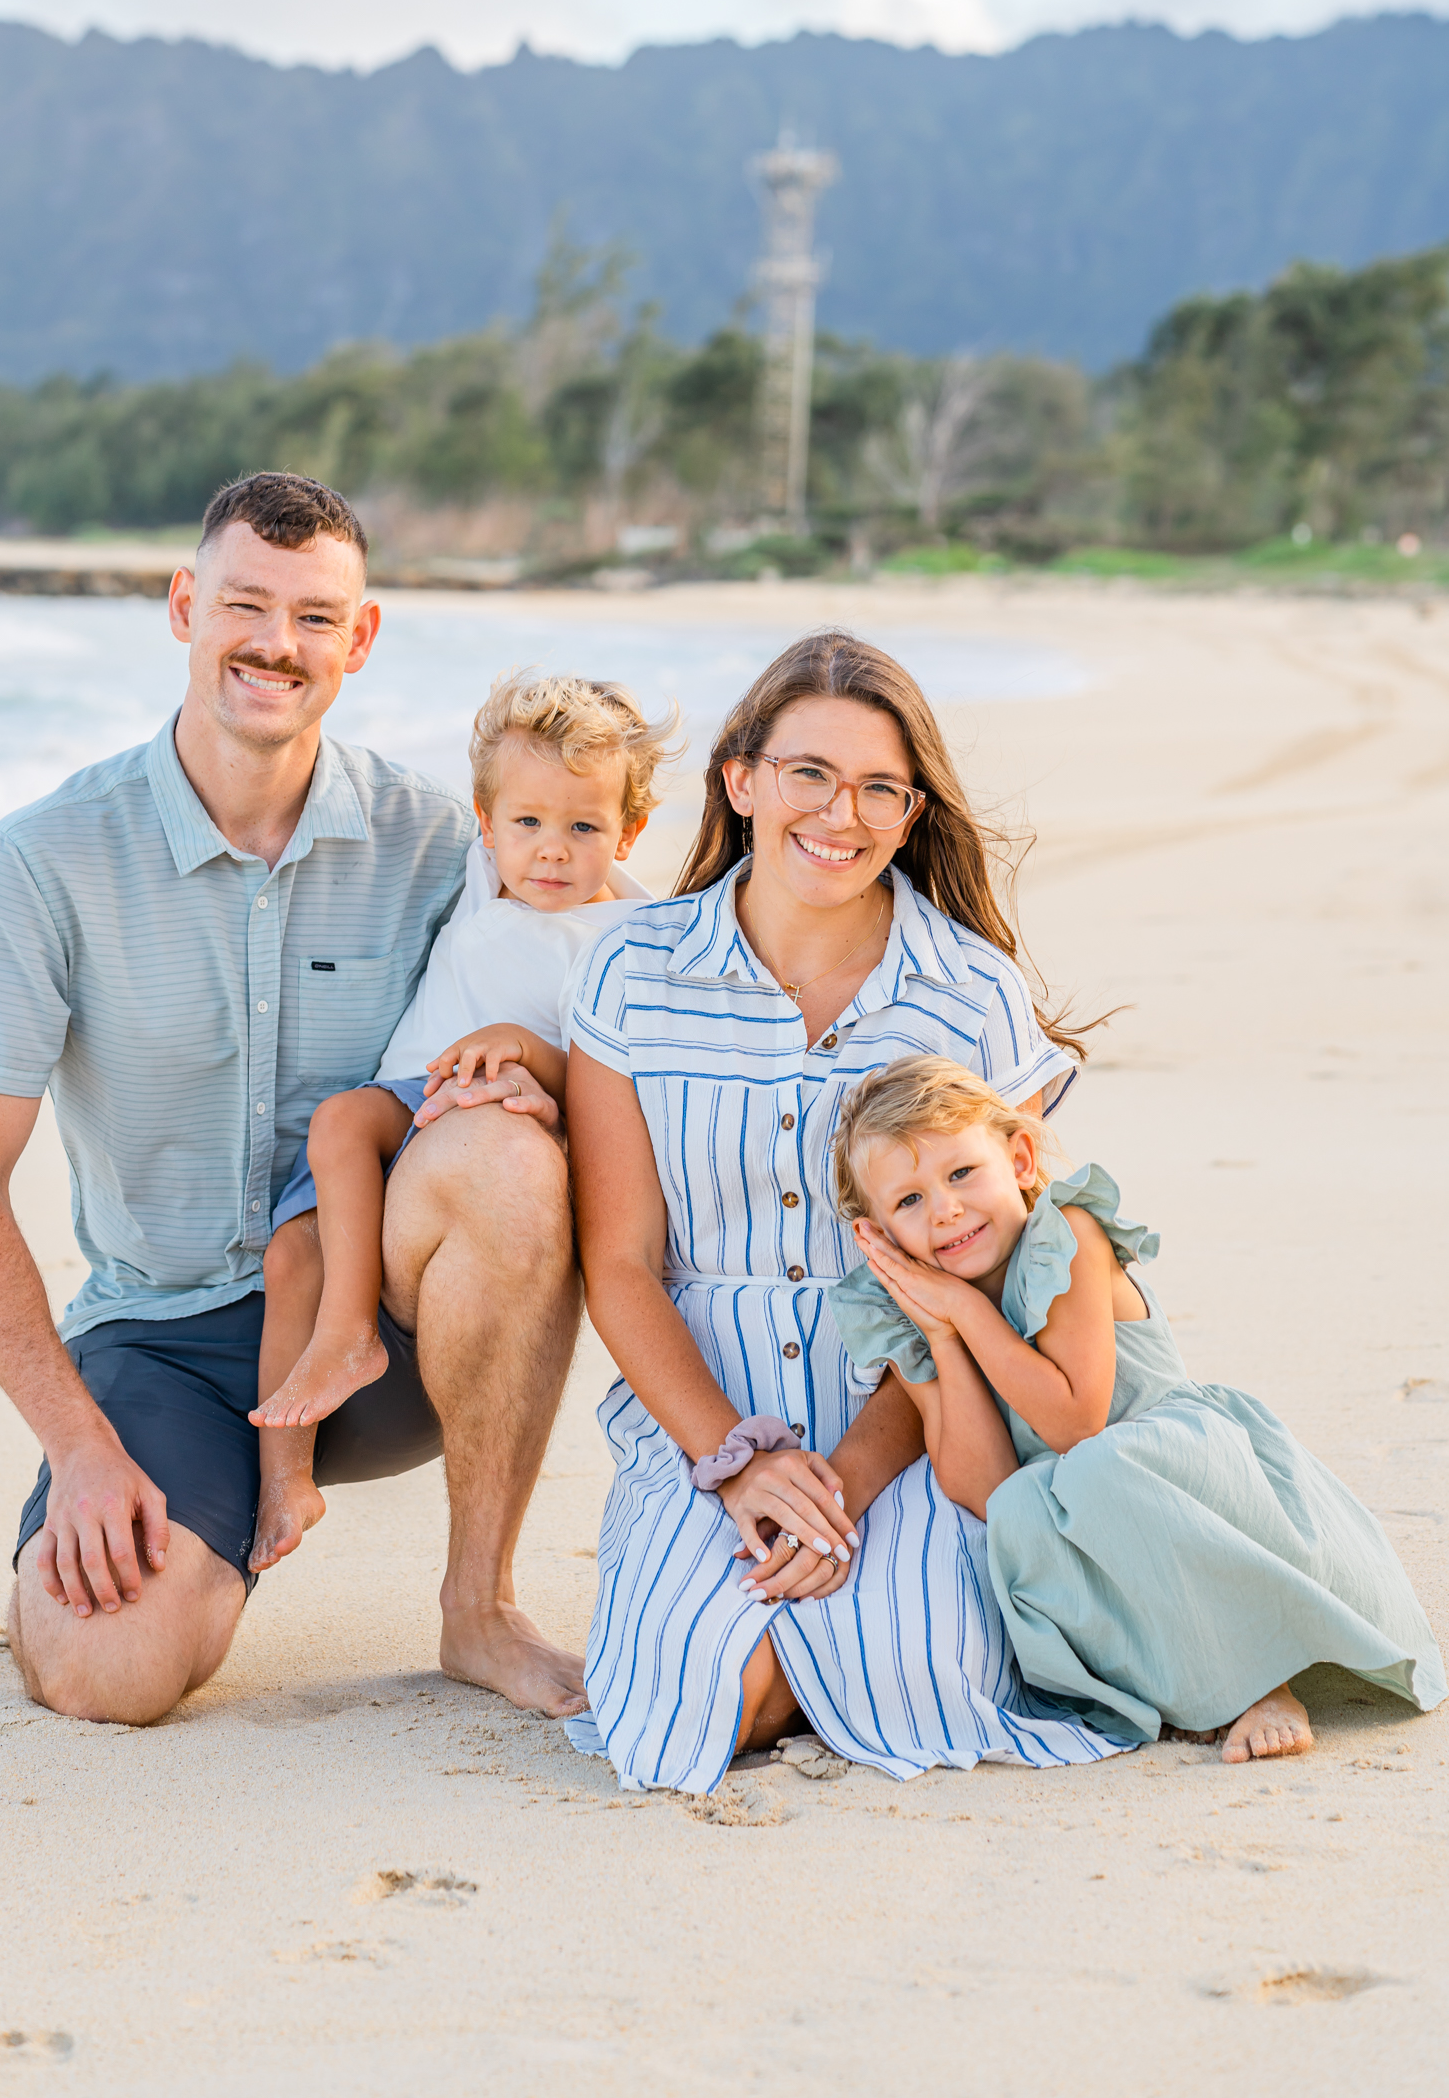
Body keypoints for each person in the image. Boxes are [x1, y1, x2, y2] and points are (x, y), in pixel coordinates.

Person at [0, 471, 587, 1726]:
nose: (278, 644)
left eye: (316, 618)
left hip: (386, 1320)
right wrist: (80, 1449)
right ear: (185, 607)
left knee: (510, 1149)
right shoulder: (46, 861)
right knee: (104, 1674)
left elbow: (596, 987)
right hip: (162, 1336)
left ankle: (477, 1606)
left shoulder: (447, 844)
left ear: (361, 639)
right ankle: (202, 1511)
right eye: (246, 605)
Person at [563, 627, 1124, 1793]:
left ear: (912, 814)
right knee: (695, 1707)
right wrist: (732, 1462)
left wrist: (852, 1478)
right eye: (810, 774)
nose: (842, 813)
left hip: (921, 1408)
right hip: (701, 1403)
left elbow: (991, 1267)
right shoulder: (633, 971)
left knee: (917, 1684)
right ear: (744, 782)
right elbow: (619, 1263)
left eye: (881, 788)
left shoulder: (969, 993)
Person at [830, 1055, 1447, 1762]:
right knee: (1021, 1516)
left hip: (1172, 1475)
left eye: (960, 1173)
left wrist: (969, 1312)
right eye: (906, 1201)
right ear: (875, 1233)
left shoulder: (1063, 1236)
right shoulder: (916, 1308)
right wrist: (940, 1333)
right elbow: (984, 1484)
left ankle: (1257, 1680)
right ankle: (1183, 1688)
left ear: (1020, 1157)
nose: (943, 1208)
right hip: (1081, 1509)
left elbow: (1074, 1424)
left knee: (1095, 1471)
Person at [247, 670, 674, 1565]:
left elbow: (614, 1088)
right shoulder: (486, 874)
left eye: (583, 827)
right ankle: (290, 1461)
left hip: (484, 1121)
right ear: (488, 823)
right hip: (404, 1097)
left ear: (628, 832)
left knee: (344, 1153)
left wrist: (529, 1049)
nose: (549, 851)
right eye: (526, 823)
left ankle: (352, 1328)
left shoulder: (633, 940)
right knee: (302, 1219)